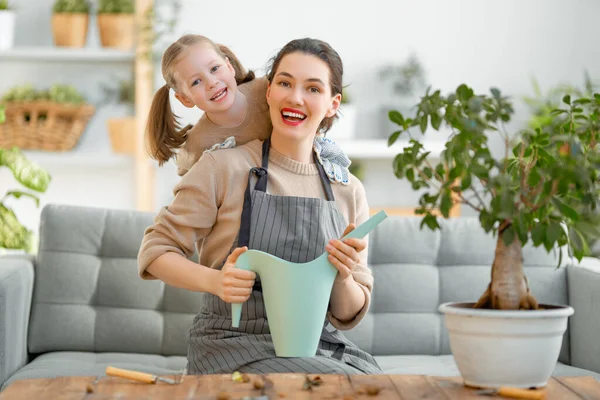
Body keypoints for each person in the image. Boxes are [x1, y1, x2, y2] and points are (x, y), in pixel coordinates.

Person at [138, 37, 382, 375]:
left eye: (313, 88)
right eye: (284, 83)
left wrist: (342, 277)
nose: (295, 97)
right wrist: (215, 281)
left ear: (332, 104)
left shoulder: (348, 190)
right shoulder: (220, 167)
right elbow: (155, 252)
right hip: (232, 344)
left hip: (318, 345)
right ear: (267, 91)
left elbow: (347, 314)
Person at [145, 34, 351, 184]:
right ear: (184, 99)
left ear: (229, 67)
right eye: (196, 82)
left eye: (215, 69)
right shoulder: (199, 144)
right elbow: (194, 198)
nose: (212, 83)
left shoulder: (266, 90)